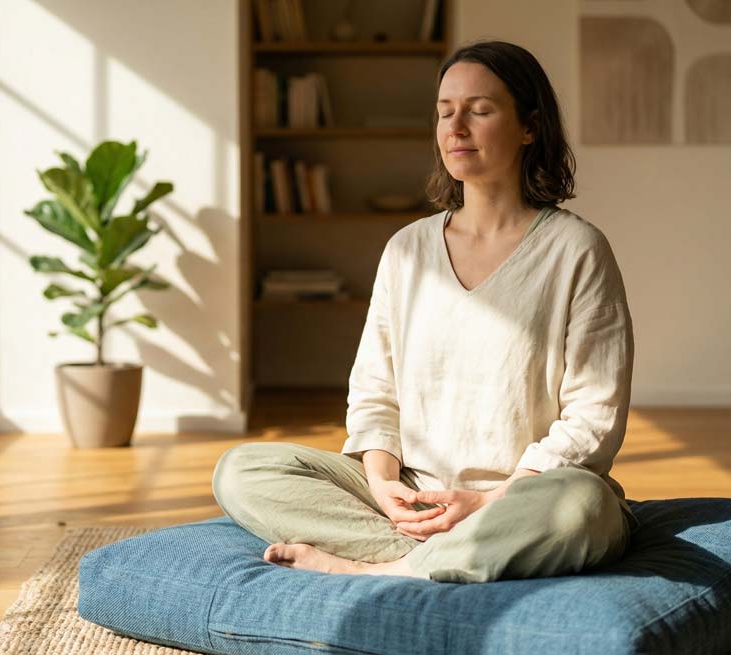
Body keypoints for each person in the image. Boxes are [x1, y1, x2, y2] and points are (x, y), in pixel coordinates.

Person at [213, 40, 637, 584]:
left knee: (585, 509)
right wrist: (383, 482)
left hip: (523, 496)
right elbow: (374, 389)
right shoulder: (407, 250)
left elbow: (592, 419)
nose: (455, 128)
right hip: (414, 495)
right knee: (243, 471)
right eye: (444, 112)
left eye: (479, 111)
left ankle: (383, 569)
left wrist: (487, 503)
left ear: (529, 127)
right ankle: (441, 559)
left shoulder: (577, 250)